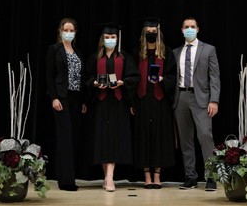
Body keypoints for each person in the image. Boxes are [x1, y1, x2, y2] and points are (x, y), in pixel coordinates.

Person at [85, 23, 140, 192]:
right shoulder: (95, 57)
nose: (110, 40)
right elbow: (86, 78)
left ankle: (109, 177)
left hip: (118, 103)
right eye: (107, 37)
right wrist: (94, 83)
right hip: (100, 103)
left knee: (114, 139)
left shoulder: (124, 57)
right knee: (102, 140)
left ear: (117, 39)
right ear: (103, 39)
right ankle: (106, 176)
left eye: (113, 37)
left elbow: (134, 76)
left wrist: (123, 83)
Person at [172, 17, 220, 191]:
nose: (189, 29)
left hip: (202, 99)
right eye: (186, 27)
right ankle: (190, 177)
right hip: (181, 98)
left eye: (192, 27)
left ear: (198, 29)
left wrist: (214, 100)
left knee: (205, 137)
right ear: (182, 30)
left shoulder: (209, 49)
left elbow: (214, 77)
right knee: (186, 141)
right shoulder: (176, 52)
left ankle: (211, 177)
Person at [132, 18, 177, 189]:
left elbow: (173, 76)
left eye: (153, 31)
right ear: (144, 34)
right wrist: (132, 101)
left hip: (160, 100)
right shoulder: (137, 52)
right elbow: (132, 77)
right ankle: (146, 175)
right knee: (143, 137)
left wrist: (162, 79)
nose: (151, 34)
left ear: (158, 33)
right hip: (142, 100)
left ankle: (157, 175)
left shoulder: (166, 52)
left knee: (159, 137)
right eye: (148, 31)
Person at [46, 17, 87, 191]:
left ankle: (70, 176)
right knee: (64, 138)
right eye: (66, 30)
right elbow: (49, 76)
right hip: (61, 98)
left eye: (72, 31)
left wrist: (84, 101)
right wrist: (54, 97)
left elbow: (82, 78)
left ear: (75, 33)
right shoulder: (54, 50)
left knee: (73, 138)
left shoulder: (78, 52)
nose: (68, 33)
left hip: (76, 98)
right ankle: (65, 181)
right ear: (60, 31)